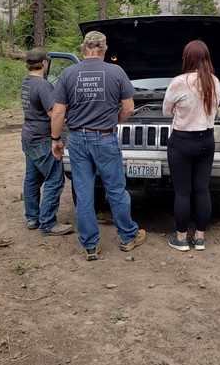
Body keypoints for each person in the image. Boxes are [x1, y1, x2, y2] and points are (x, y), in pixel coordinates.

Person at [50, 31, 147, 261]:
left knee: (84, 193)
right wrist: (115, 120)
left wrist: (56, 139)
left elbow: (58, 112)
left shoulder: (68, 73)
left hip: (77, 140)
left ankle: (90, 246)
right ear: (103, 50)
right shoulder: (116, 72)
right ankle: (128, 236)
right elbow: (129, 107)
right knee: (115, 189)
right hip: (104, 138)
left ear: (84, 50)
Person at [163, 40, 220, 252]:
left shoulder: (179, 82)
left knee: (182, 192)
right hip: (207, 139)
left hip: (182, 141)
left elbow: (165, 111)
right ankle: (199, 238)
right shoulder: (214, 82)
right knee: (202, 190)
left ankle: (180, 239)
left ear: (187, 58)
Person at [20, 47, 73, 236]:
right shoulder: (42, 85)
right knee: (55, 179)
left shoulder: (26, 82)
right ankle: (48, 223)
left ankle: (32, 218)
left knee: (32, 179)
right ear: (44, 63)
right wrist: (69, 120)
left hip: (28, 137)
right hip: (42, 140)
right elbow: (53, 114)